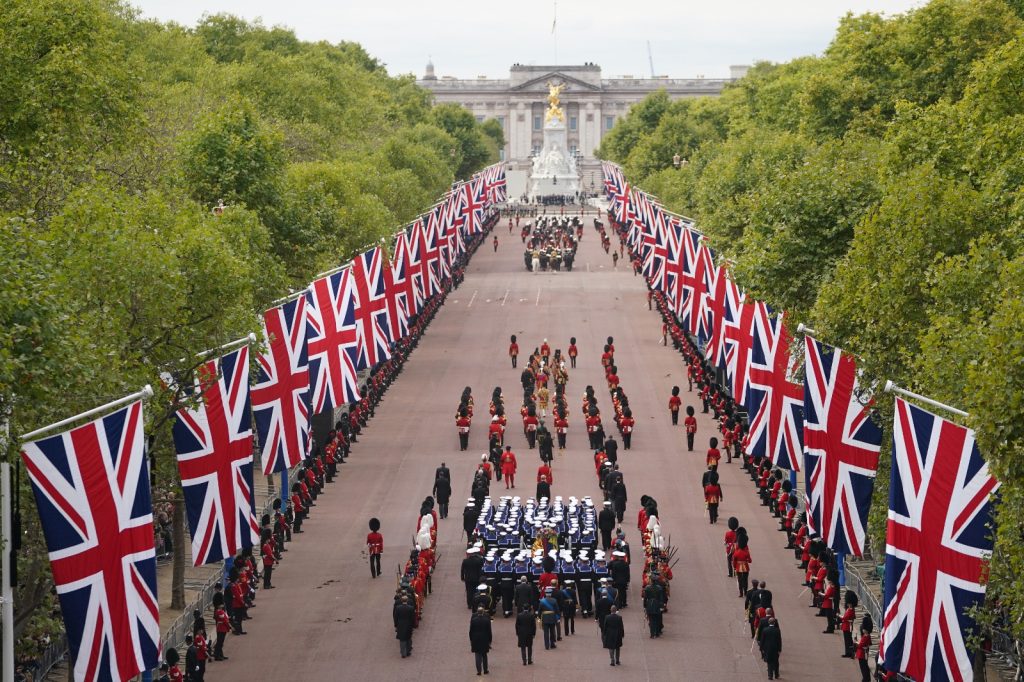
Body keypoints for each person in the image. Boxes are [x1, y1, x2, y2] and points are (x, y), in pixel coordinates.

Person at [470, 607, 493, 675]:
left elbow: (471, 631)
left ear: (477, 612)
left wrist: (471, 639)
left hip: (476, 639)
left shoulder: (473, 620)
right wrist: (490, 640)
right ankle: (485, 670)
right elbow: (489, 631)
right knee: (484, 655)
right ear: (483, 612)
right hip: (484, 639)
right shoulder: (486, 620)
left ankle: (479, 671)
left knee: (477, 655)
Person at [841, 592, 858, 657]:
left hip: (848, 626)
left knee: (848, 640)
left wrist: (840, 617)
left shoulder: (851, 610)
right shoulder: (849, 609)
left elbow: (845, 618)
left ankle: (850, 652)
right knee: (847, 640)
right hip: (846, 626)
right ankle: (848, 652)